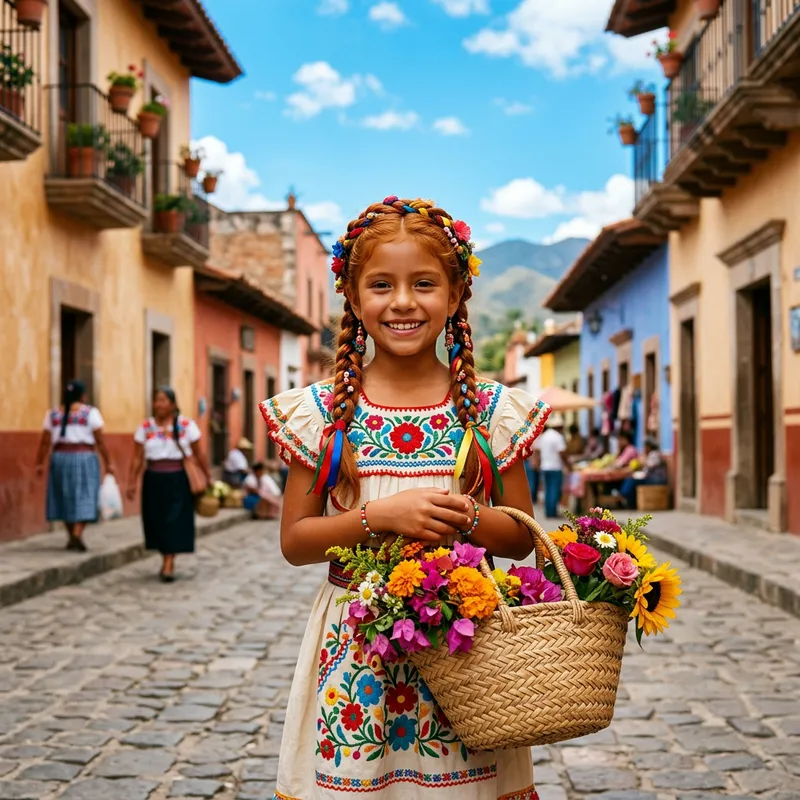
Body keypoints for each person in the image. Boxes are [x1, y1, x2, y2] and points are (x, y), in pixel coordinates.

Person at [259, 196, 551, 799]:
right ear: (352, 295)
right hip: (355, 650)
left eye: (424, 283)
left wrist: (468, 517)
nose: (402, 302)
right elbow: (294, 541)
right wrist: (377, 517)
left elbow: (523, 538)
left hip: (465, 646)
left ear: (455, 294)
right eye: (381, 285)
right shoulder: (318, 416)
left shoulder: (493, 414)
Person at [126, 387, 211, 582]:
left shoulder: (186, 425)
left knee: (174, 520)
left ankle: (168, 563)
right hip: (153, 479)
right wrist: (132, 482)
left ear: (173, 404)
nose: (159, 404)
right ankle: (165, 556)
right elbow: (137, 457)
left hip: (178, 479)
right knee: (156, 520)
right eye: (156, 400)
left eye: (163, 400)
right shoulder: (146, 427)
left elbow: (199, 454)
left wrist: (207, 477)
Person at [34, 379, 114, 551]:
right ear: (83, 396)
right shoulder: (90, 413)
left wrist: (39, 463)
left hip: (59, 458)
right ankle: (77, 534)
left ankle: (72, 536)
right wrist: (109, 462)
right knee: (86, 495)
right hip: (84, 457)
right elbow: (100, 441)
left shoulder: (53, 414)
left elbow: (44, 442)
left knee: (63, 496)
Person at [532, 413, 570, 519]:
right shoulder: (558, 437)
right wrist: (568, 465)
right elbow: (562, 453)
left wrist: (538, 462)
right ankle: (552, 512)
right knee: (554, 489)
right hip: (555, 467)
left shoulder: (544, 436)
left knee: (548, 489)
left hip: (545, 466)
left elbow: (537, 450)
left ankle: (548, 511)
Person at [621, 439, 668, 508]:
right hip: (650, 478)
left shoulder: (654, 454)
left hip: (656, 479)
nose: (644, 449)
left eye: (645, 447)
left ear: (648, 447)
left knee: (631, 481)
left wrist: (642, 462)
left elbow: (651, 465)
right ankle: (629, 500)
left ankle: (631, 503)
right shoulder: (650, 455)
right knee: (631, 479)